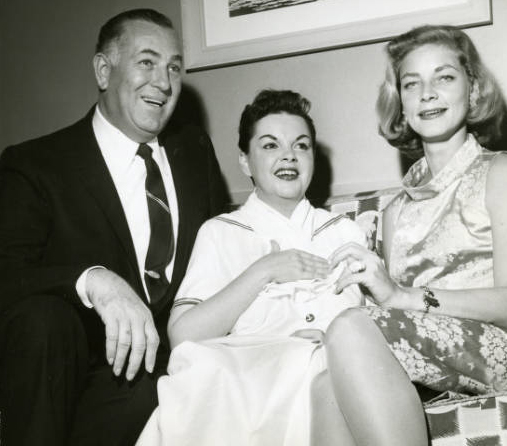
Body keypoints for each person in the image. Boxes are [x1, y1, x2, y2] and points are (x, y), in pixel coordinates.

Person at [321, 25, 507, 445]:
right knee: (322, 376)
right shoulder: (395, 211)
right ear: (400, 103)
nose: (427, 93)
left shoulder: (503, 172)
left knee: (351, 329)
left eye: (444, 77)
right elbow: (401, 326)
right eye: (411, 84)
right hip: (445, 352)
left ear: (473, 89)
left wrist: (400, 297)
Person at [0, 9, 227, 446]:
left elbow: (222, 253)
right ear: (104, 70)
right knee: (40, 320)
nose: (163, 81)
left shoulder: (193, 152)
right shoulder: (36, 165)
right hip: (83, 372)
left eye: (174, 67)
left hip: (181, 364)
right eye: (147, 62)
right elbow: (7, 273)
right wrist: (92, 280)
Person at [136, 89, 367, 445]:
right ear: (245, 161)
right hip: (254, 381)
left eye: (301, 145)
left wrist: (336, 343)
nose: (289, 156)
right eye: (270, 145)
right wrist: (264, 271)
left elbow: (380, 323)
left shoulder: (345, 232)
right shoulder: (220, 233)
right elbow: (183, 336)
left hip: (335, 372)